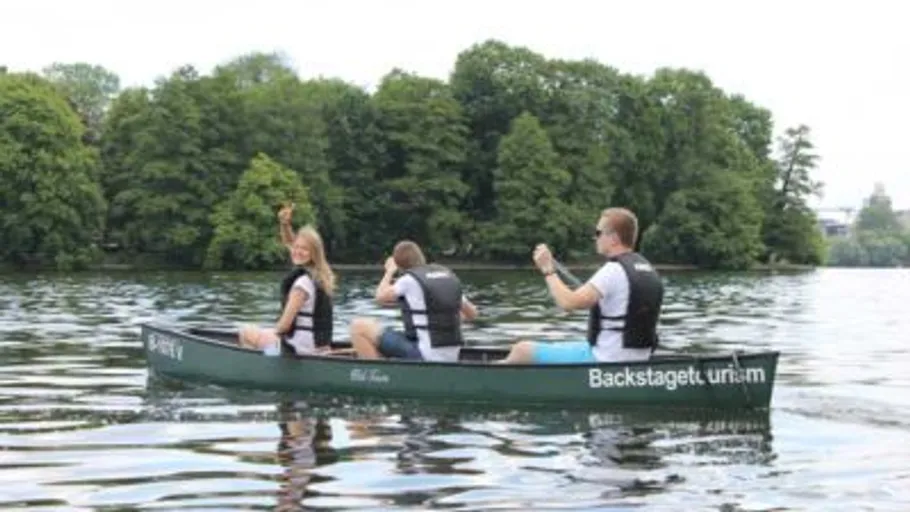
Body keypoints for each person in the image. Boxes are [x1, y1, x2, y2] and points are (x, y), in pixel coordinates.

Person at [498, 207, 664, 364]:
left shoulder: (613, 270)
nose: (595, 238)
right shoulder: (649, 270)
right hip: (639, 357)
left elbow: (568, 303)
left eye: (598, 233)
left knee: (521, 350)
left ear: (613, 238)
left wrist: (548, 270)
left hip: (607, 357)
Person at [349, 240, 478, 362]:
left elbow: (380, 297)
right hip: (451, 356)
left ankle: (378, 376)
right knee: (390, 331)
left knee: (359, 327)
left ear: (400, 265)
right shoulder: (447, 277)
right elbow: (472, 314)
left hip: (424, 356)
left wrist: (389, 271)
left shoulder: (409, 280)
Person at [238, 204, 336, 356]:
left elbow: (284, 326)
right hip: (318, 345)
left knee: (246, 332)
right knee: (264, 336)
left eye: (304, 249)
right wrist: (284, 224)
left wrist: (266, 335)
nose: (297, 251)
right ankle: (270, 358)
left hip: (300, 346)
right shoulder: (322, 274)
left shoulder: (302, 284)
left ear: (313, 253)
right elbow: (291, 243)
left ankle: (267, 367)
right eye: (296, 247)